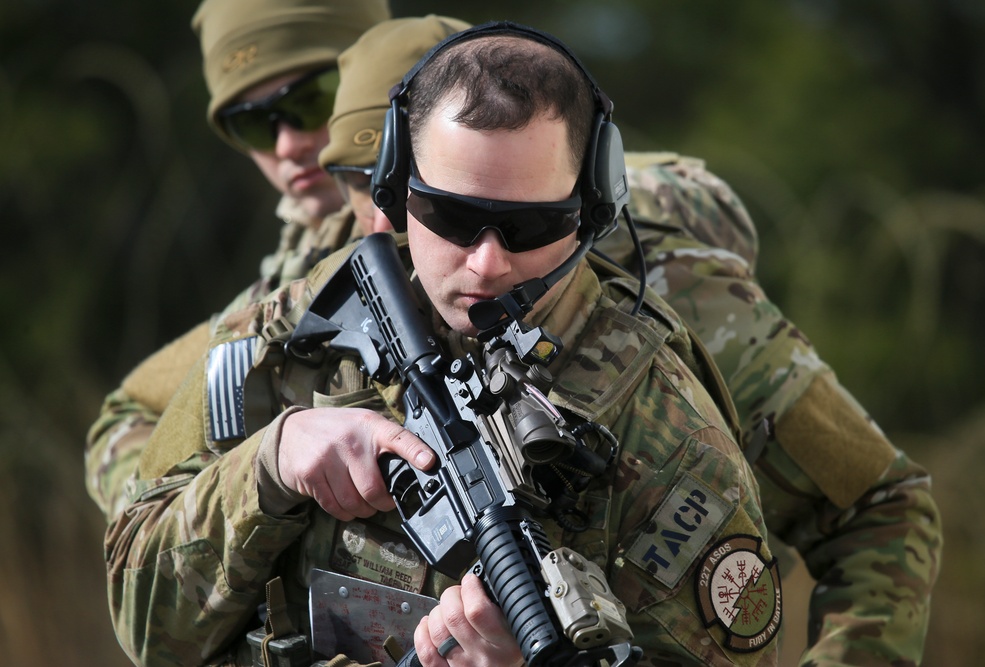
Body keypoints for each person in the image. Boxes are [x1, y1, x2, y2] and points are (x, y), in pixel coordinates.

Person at [105, 22, 779, 667]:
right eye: (452, 216)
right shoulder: (296, 328)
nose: (487, 264)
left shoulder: (669, 438)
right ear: (394, 192)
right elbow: (146, 629)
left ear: (591, 213)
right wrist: (270, 465)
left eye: (532, 225)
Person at [83, 0, 390, 520]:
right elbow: (122, 418)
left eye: (313, 100)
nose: (288, 144)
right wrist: (185, 504)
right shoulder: (295, 268)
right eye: (250, 123)